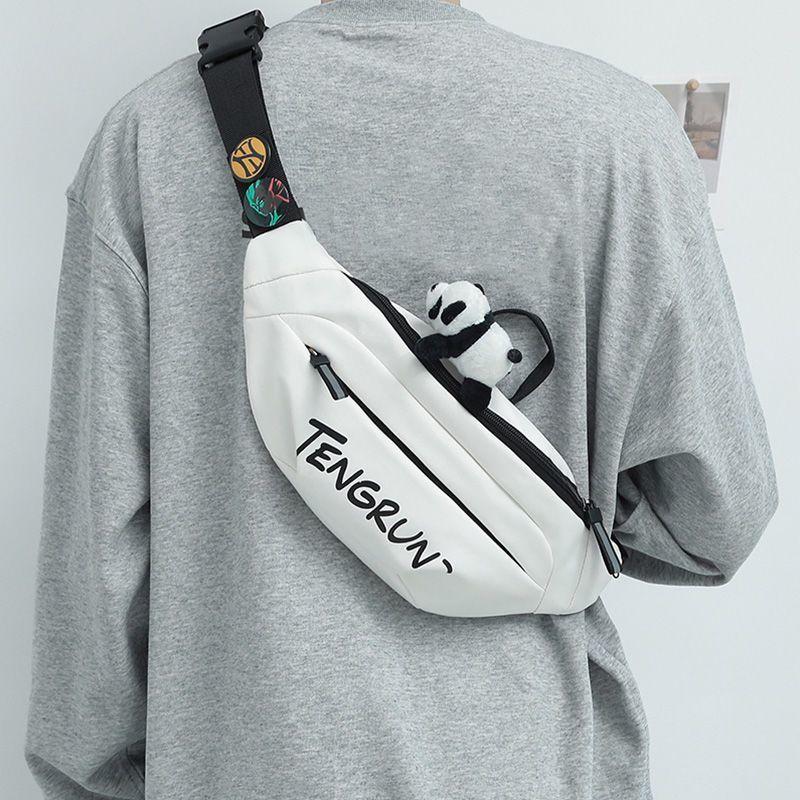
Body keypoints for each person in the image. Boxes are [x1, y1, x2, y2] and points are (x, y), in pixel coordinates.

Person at [26, 1, 777, 798]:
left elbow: (93, 584)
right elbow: (716, 517)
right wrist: (534, 494)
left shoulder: (151, 137)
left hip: (245, 766)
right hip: (526, 762)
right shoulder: (618, 134)